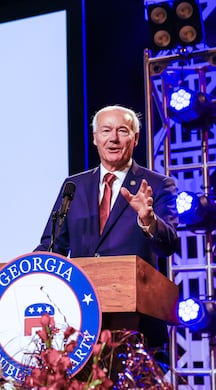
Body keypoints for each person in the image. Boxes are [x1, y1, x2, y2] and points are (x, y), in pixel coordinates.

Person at [34, 104, 179, 347]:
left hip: (136, 326)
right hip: (79, 323)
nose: (113, 138)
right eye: (105, 131)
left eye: (122, 130)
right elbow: (51, 245)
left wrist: (148, 220)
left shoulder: (158, 184)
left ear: (135, 138)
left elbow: (169, 244)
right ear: (94, 138)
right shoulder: (74, 186)